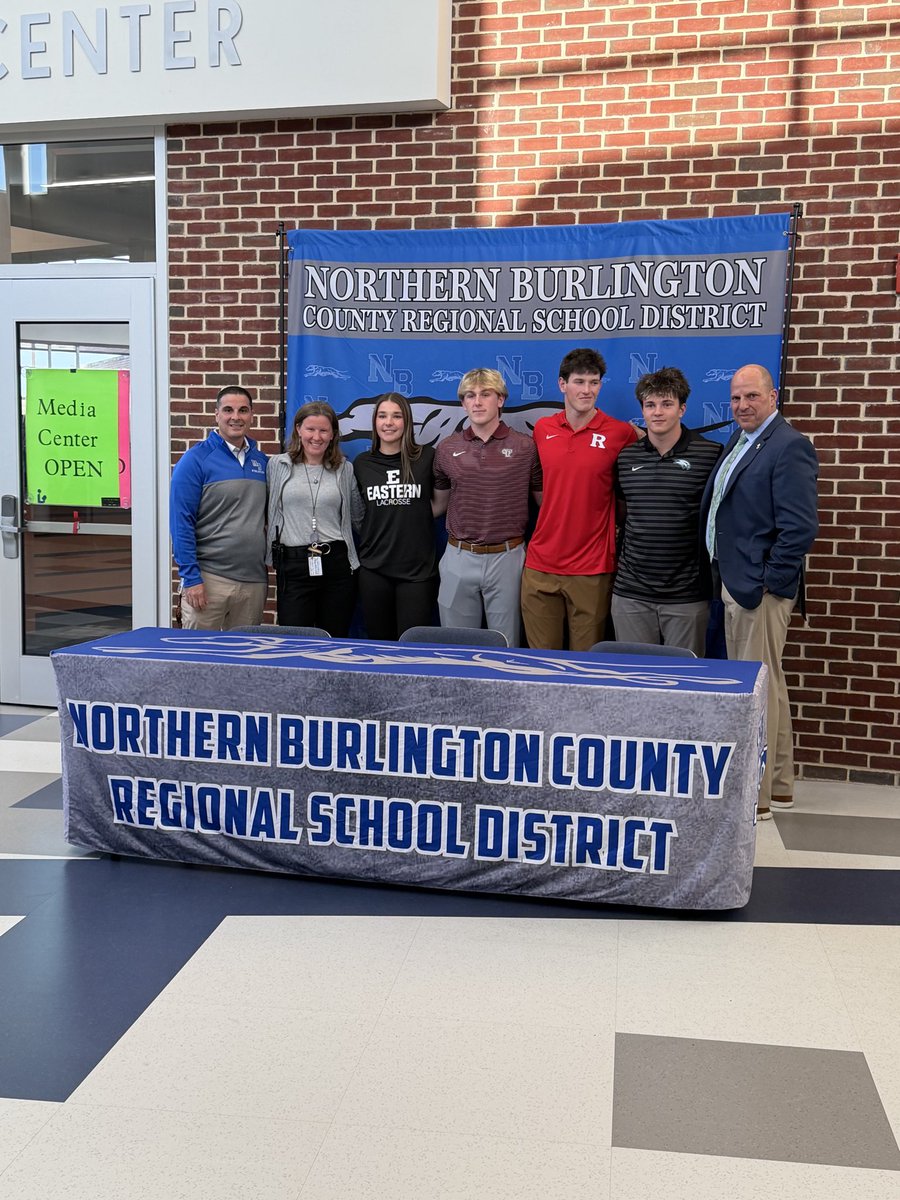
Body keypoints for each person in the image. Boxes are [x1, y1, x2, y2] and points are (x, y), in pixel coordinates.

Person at [701, 363, 818, 820]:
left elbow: (800, 527)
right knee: (770, 686)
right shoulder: (743, 439)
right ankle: (782, 784)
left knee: (756, 690)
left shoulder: (789, 446)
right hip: (736, 578)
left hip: (758, 589)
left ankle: (759, 795)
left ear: (773, 397)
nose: (742, 406)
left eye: (752, 396)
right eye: (735, 398)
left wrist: (769, 581)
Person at [521, 347, 638, 651]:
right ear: (562, 384)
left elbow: (657, 440)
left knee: (585, 668)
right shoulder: (544, 428)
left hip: (592, 568)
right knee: (540, 665)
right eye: (579, 381)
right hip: (540, 563)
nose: (587, 390)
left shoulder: (620, 432)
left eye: (594, 382)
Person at [612, 367, 722, 656]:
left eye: (666, 404)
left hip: (687, 597)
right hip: (631, 594)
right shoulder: (626, 458)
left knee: (683, 684)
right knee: (631, 682)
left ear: (682, 409)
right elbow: (623, 513)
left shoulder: (710, 455)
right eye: (650, 405)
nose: (657, 412)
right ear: (643, 411)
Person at [432, 368, 542, 648]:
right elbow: (439, 504)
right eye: (470, 396)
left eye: (485, 394)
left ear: (501, 400)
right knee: (455, 648)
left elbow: (545, 503)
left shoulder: (525, 447)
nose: (477, 402)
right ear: (463, 403)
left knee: (507, 647)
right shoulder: (446, 449)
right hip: (459, 555)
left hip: (507, 557)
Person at [170, 384, 268, 630]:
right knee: (199, 661)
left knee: (245, 660)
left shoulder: (262, 462)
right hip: (209, 580)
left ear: (251, 415)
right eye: (228, 410)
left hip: (253, 582)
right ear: (217, 415)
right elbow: (181, 522)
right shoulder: (195, 460)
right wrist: (191, 578)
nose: (236, 417)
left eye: (243, 410)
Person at [266, 401, 363, 637]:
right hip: (293, 564)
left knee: (335, 639)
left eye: (323, 430)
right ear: (298, 429)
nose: (316, 437)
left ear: (333, 435)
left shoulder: (344, 469)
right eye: (310, 429)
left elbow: (359, 518)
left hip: (337, 565)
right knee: (294, 639)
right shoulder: (277, 465)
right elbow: (265, 511)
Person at [353, 392, 439, 639]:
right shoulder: (362, 463)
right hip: (374, 568)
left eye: (396, 416)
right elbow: (358, 513)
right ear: (374, 422)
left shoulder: (426, 457)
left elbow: (439, 503)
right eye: (382, 416)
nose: (388, 422)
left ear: (407, 422)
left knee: (412, 649)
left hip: (418, 572)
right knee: (380, 647)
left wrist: (411, 514)